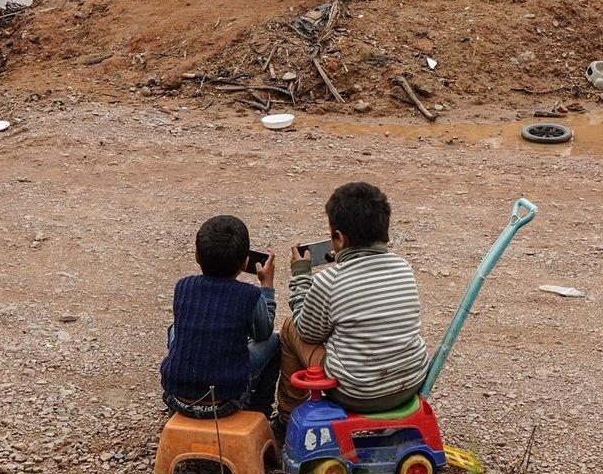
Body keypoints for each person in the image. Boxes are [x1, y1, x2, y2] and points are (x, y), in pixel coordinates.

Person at [275, 182, 429, 426]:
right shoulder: (403, 268)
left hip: (356, 393)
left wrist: (301, 275)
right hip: (410, 383)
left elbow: (308, 332)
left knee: (290, 327)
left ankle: (286, 418)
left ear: (339, 238)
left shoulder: (329, 280)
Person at [160, 215, 280, 419]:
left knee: (175, 330)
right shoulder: (249, 295)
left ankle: (178, 406)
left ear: (197, 256)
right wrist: (266, 286)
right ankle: (259, 410)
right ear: (245, 262)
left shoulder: (183, 286)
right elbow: (263, 333)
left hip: (176, 397)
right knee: (274, 341)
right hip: (227, 401)